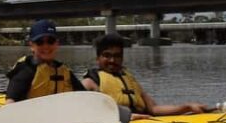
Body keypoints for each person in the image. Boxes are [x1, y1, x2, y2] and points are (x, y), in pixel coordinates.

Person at [82, 33, 210, 117]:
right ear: (97, 58)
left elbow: (154, 109)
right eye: (107, 55)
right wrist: (128, 117)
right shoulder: (90, 82)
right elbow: (87, 115)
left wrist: (187, 107)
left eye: (117, 56)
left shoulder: (129, 79)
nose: (112, 60)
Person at [5, 19, 85, 102]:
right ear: (32, 46)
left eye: (50, 41)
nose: (46, 46)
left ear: (57, 44)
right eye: (40, 42)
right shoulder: (25, 70)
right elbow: (10, 101)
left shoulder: (65, 71)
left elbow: (85, 96)